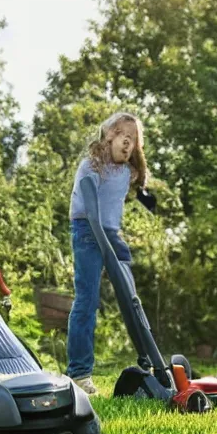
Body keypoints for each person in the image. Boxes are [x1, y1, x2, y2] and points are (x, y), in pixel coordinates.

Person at [66, 112, 157, 395]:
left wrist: (151, 203)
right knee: (87, 300)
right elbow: (91, 209)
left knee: (132, 300)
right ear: (109, 136)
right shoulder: (90, 167)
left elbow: (141, 190)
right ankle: (79, 374)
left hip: (112, 235)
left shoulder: (127, 172)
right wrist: (103, 241)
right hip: (87, 232)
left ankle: (149, 362)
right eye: (125, 139)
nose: (129, 146)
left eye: (134, 143)